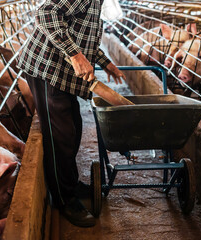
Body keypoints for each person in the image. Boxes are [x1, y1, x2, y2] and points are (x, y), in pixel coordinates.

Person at [17, 0, 125, 227]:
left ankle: (69, 183)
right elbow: (46, 13)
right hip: (47, 69)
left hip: (62, 74)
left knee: (73, 130)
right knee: (61, 137)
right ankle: (63, 199)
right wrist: (75, 55)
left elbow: (82, 34)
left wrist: (105, 63)